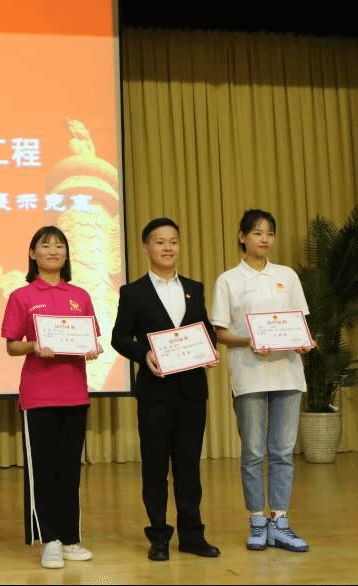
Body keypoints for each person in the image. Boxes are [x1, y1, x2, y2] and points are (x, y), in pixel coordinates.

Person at [110, 217, 220, 562]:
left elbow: (206, 329)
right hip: (154, 392)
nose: (168, 247)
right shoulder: (133, 292)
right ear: (146, 248)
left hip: (192, 391)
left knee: (189, 467)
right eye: (160, 242)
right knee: (155, 467)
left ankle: (192, 535)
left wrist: (209, 349)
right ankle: (159, 535)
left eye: (173, 241)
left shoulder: (194, 288)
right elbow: (119, 337)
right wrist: (143, 354)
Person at [0, 226, 102, 569]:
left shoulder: (80, 295)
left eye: (60, 245)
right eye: (46, 245)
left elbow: (90, 338)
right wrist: (34, 345)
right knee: (43, 472)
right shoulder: (22, 296)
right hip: (38, 395)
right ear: (33, 254)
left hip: (75, 394)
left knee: (69, 471)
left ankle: (71, 538)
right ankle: (50, 541)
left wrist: (92, 348)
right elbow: (12, 346)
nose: (54, 251)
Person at [211, 209, 313, 553]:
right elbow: (220, 332)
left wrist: (303, 341)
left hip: (288, 373)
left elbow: (300, 324)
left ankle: (280, 521)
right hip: (249, 375)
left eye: (269, 233)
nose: (264, 239)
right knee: (253, 452)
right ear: (242, 237)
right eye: (257, 233)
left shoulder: (287, 276)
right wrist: (249, 341)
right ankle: (256, 520)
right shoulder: (228, 280)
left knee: (282, 452)